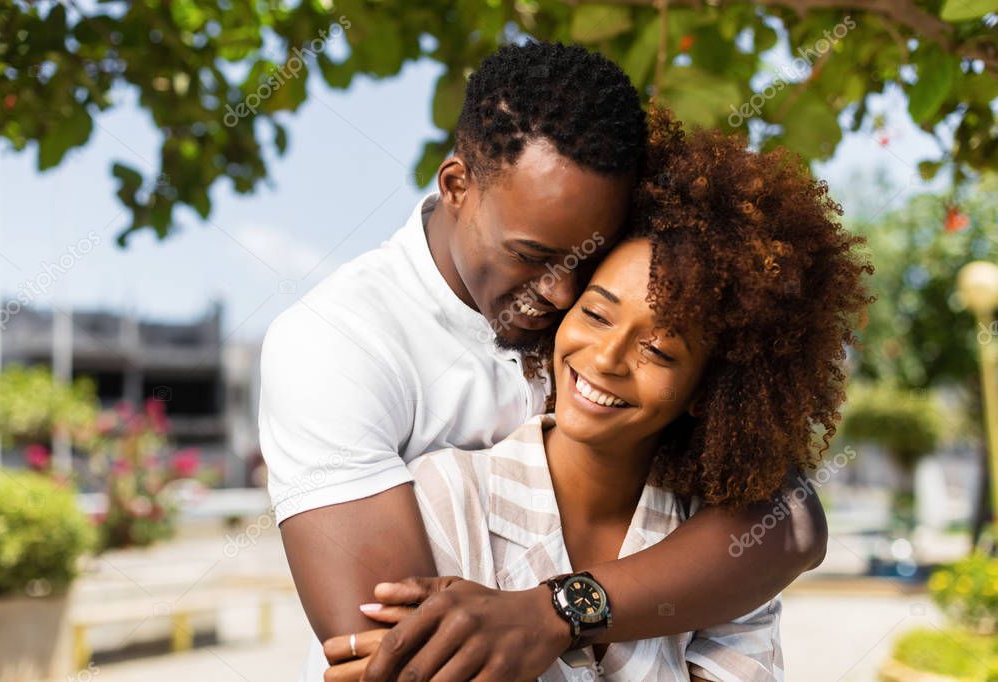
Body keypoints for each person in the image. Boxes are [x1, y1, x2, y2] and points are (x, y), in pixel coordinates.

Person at [259, 43, 829, 682]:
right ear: (456, 187)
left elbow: (793, 525)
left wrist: (557, 610)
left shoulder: (617, 290)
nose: (561, 295)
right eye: (532, 255)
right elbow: (404, 664)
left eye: (586, 258)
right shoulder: (335, 344)